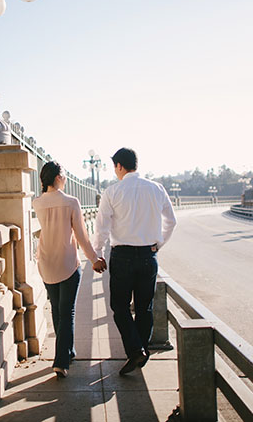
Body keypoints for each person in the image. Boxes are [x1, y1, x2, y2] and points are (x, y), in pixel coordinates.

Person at [93, 147, 177, 375]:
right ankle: (140, 352)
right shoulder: (157, 189)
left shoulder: (112, 192)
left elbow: (102, 227)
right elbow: (171, 221)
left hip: (123, 256)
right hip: (148, 256)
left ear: (119, 166)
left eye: (115, 168)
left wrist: (97, 253)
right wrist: (157, 245)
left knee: (119, 307)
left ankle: (136, 350)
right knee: (144, 308)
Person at [33, 161, 107, 379]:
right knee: (67, 312)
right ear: (58, 177)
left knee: (57, 310)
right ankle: (61, 361)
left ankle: (68, 351)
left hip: (46, 261)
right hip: (67, 262)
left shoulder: (37, 202)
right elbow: (81, 235)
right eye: (63, 175)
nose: (65, 178)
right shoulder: (71, 202)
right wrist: (94, 259)